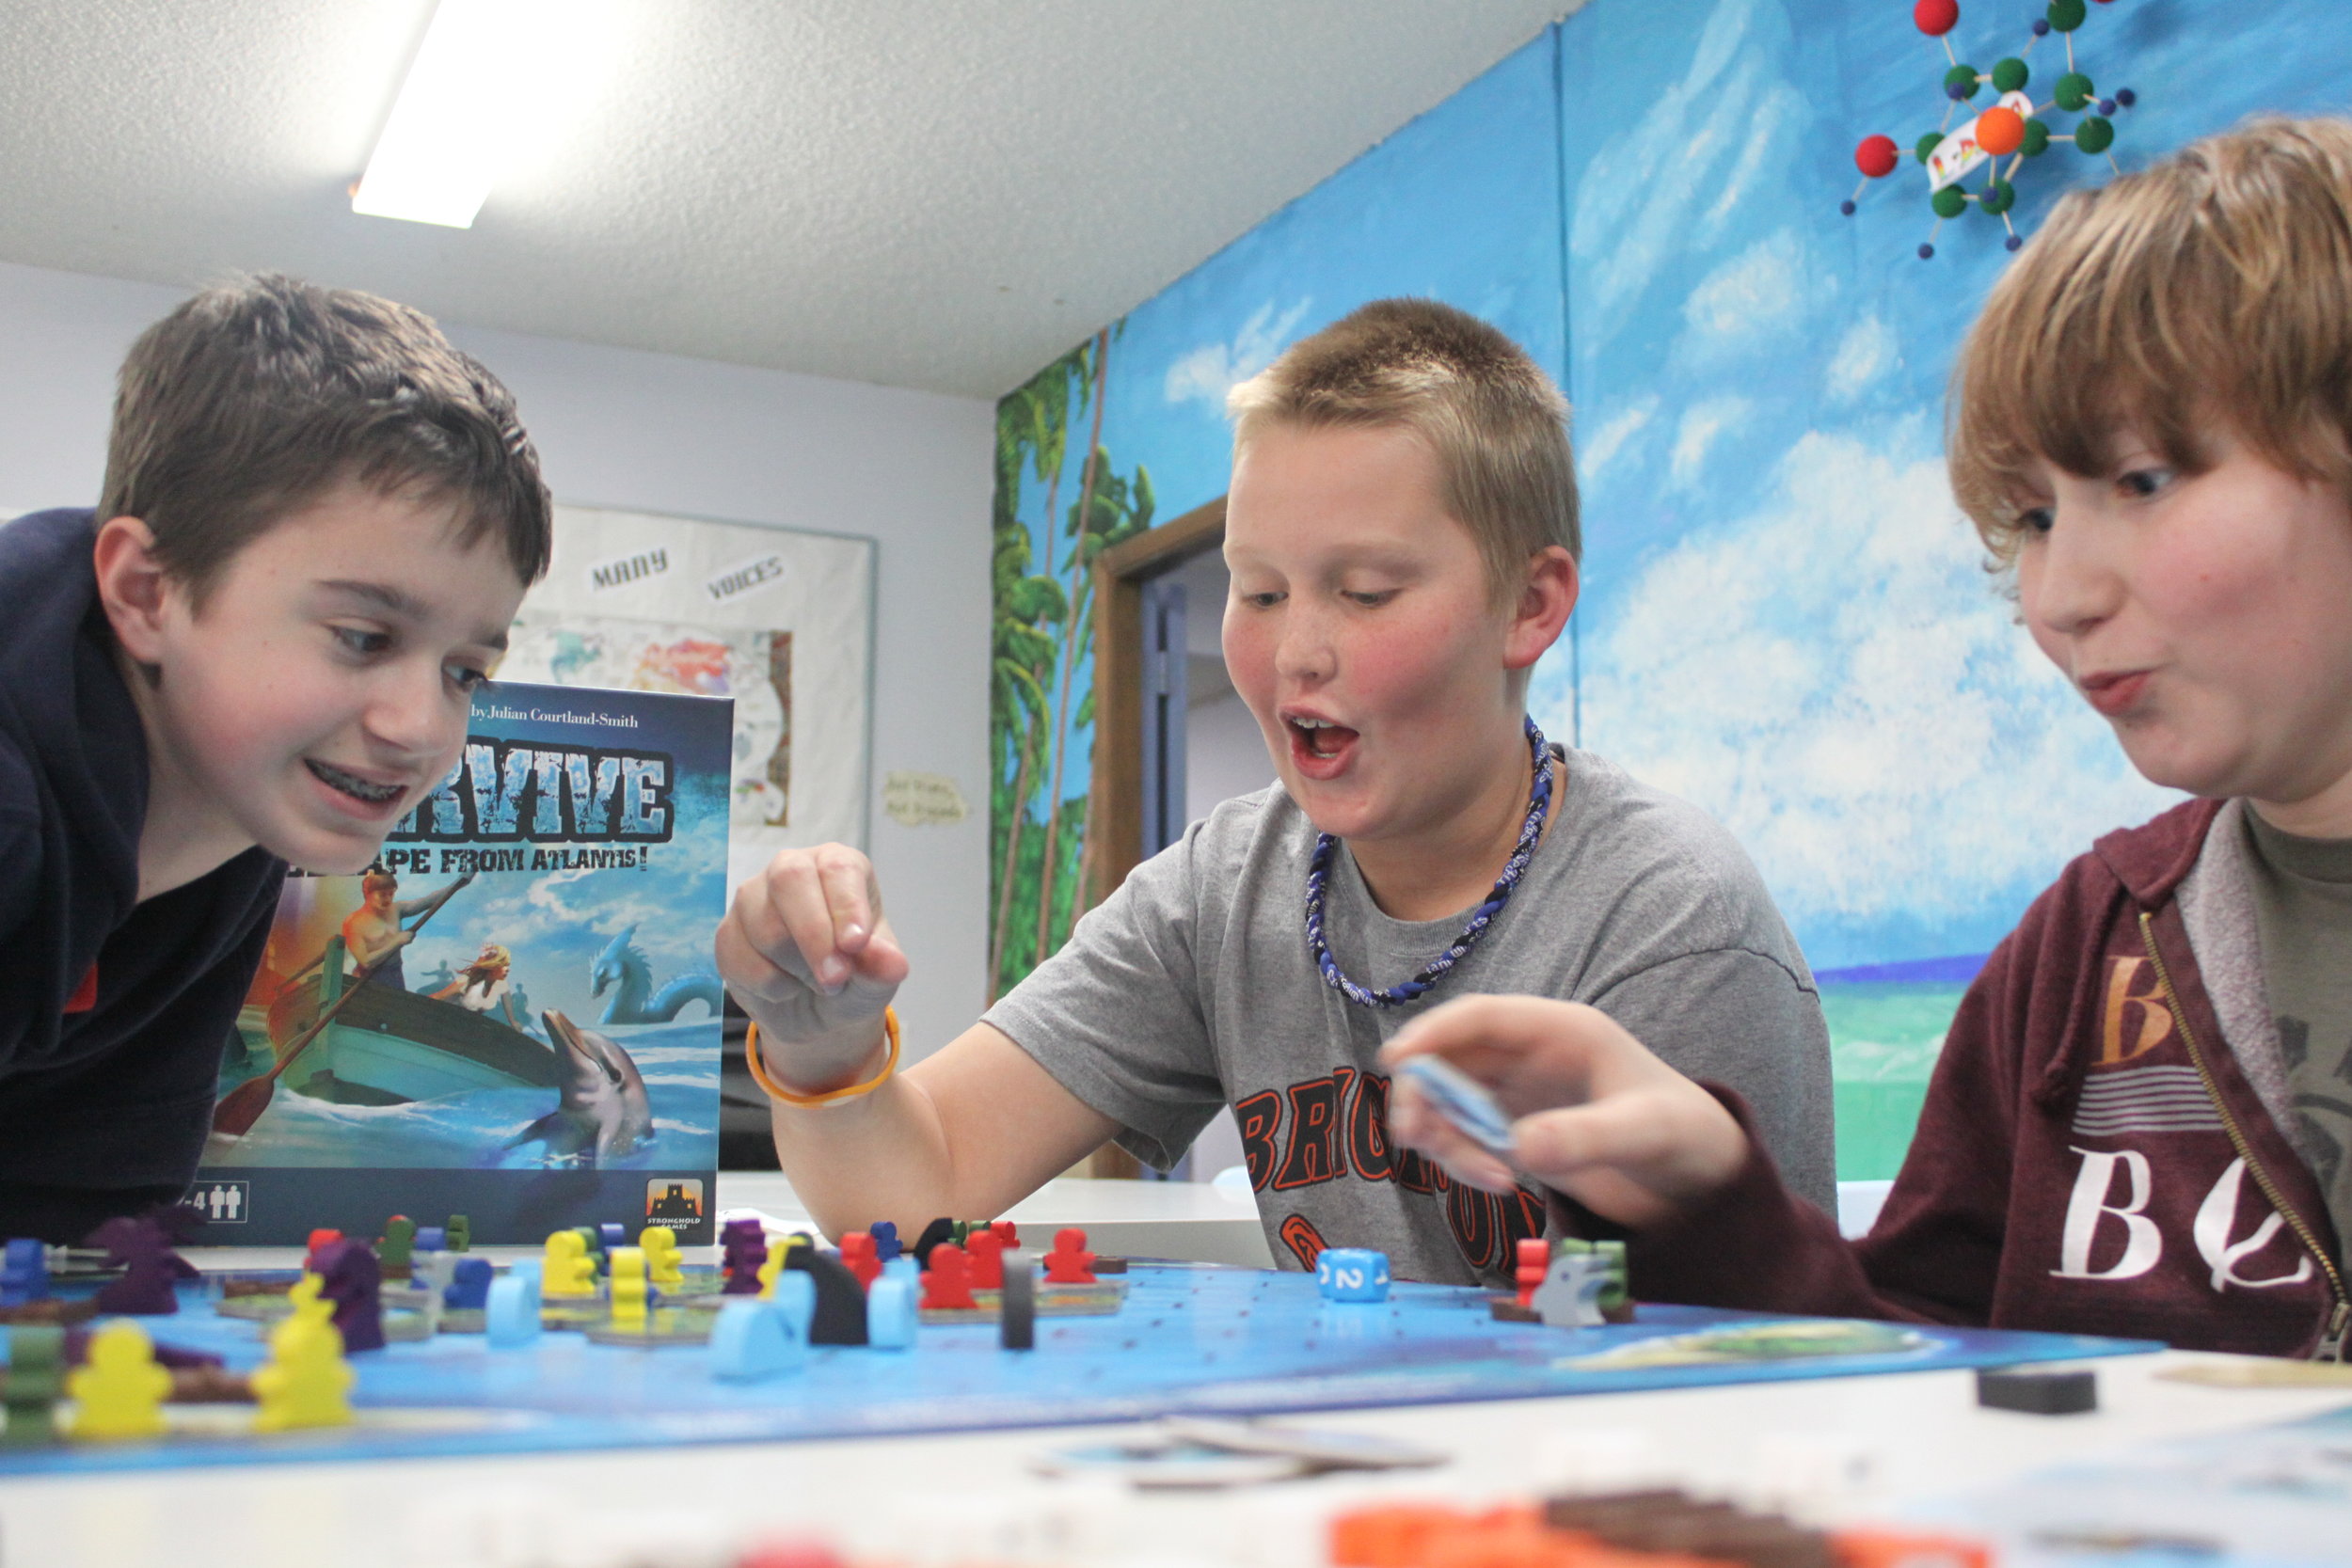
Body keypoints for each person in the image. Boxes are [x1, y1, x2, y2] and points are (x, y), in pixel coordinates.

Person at [1385, 117, 2352, 1356]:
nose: (2059, 596)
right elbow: (1914, 1362)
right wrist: (1698, 1190)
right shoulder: (2086, 947)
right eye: (2034, 517)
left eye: (2146, 479)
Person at [720, 299, 1836, 1285]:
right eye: (1255, 590)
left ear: (1530, 605)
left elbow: (1738, 1369)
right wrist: (821, 1047)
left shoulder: (1670, 921)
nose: (1295, 651)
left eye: (1364, 590)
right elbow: (919, 1188)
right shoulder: (1222, 887)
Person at [0, 275, 550, 1243]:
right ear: (146, 591)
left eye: (467, 671)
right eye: (361, 635)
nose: (421, 726)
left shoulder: (236, 815)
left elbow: (81, 1211)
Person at [338, 870, 445, 990]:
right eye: (383, 894)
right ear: (367, 892)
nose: (388, 899)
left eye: (391, 894)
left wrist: (459, 883)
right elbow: (366, 962)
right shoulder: (353, 922)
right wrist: (397, 941)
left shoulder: (396, 909)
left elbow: (428, 901)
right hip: (367, 980)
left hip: (395, 976)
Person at [432, 942, 528, 1031]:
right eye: (504, 965)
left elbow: (506, 998)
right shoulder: (467, 981)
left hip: (468, 1027)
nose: (508, 969)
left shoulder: (500, 983)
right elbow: (438, 996)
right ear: (493, 966)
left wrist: (513, 1022)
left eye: (508, 965)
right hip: (446, 1021)